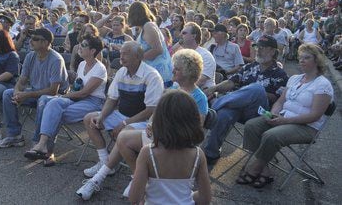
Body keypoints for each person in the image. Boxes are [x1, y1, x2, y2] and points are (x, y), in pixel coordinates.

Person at [75, 41, 164, 201]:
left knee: (124, 133)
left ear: (138, 57)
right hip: (123, 115)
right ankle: (105, 163)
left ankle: (126, 177)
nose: (121, 57)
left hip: (144, 121)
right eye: (121, 53)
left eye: (126, 54)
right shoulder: (122, 72)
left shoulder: (151, 76)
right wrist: (101, 116)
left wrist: (124, 123)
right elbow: (112, 98)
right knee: (90, 118)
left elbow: (151, 110)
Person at [236, 44, 333, 188]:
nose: (301, 60)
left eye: (306, 58)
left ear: (317, 61)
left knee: (271, 135)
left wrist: (285, 120)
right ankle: (265, 169)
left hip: (306, 127)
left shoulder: (323, 85)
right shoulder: (295, 78)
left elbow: (315, 116)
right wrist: (274, 113)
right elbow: (281, 101)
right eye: (300, 58)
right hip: (283, 118)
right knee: (252, 125)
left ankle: (255, 168)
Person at [203, 35, 289, 165]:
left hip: (261, 113)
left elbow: (277, 98)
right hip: (239, 108)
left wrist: (251, 92)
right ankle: (211, 153)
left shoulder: (280, 74)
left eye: (263, 48)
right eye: (257, 47)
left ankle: (215, 107)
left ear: (273, 51)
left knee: (256, 89)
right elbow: (231, 82)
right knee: (224, 114)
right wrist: (212, 89)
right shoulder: (249, 67)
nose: (258, 50)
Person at [24, 35, 106, 164]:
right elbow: (78, 88)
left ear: (92, 51)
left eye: (84, 45)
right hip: (77, 98)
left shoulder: (100, 69)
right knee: (49, 102)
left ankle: (46, 149)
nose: (79, 47)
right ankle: (43, 147)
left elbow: (84, 93)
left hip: (93, 102)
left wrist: (62, 96)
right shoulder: (82, 64)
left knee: (54, 111)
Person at [129, 90, 212, 205]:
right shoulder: (198, 155)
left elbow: (134, 198)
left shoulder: (148, 153)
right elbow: (205, 199)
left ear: (159, 120)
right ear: (193, 120)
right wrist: (189, 196)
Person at [0, 28, 69, 148]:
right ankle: (14, 136)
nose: (31, 41)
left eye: (35, 39)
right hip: (36, 91)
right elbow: (22, 80)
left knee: (42, 100)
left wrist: (26, 95)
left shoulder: (56, 60)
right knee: (8, 94)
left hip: (56, 97)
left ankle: (38, 140)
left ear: (45, 43)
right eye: (31, 38)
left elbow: (53, 91)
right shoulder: (31, 56)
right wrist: (17, 92)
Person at [128, 2, 173, 87]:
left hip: (159, 74)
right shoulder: (145, 27)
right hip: (153, 73)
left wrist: (136, 59)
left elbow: (158, 50)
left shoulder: (148, 27)